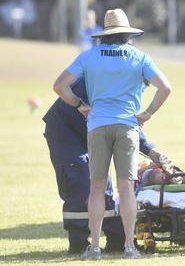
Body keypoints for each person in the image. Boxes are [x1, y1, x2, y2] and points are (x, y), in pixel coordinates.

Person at [53, 8, 172, 260]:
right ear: (127, 34)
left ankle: (94, 247)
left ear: (104, 35)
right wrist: (147, 113)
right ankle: (129, 246)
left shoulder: (89, 56)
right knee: (126, 187)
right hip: (127, 126)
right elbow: (165, 88)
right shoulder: (139, 57)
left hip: (96, 125)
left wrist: (79, 105)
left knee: (96, 187)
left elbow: (59, 86)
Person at [43, 77, 168, 254]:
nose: (141, 91)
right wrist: (150, 151)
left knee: (104, 187)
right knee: (78, 182)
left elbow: (125, 125)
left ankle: (117, 239)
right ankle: (78, 242)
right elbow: (120, 124)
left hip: (92, 132)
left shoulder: (121, 85)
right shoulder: (104, 81)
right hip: (65, 133)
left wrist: (153, 152)